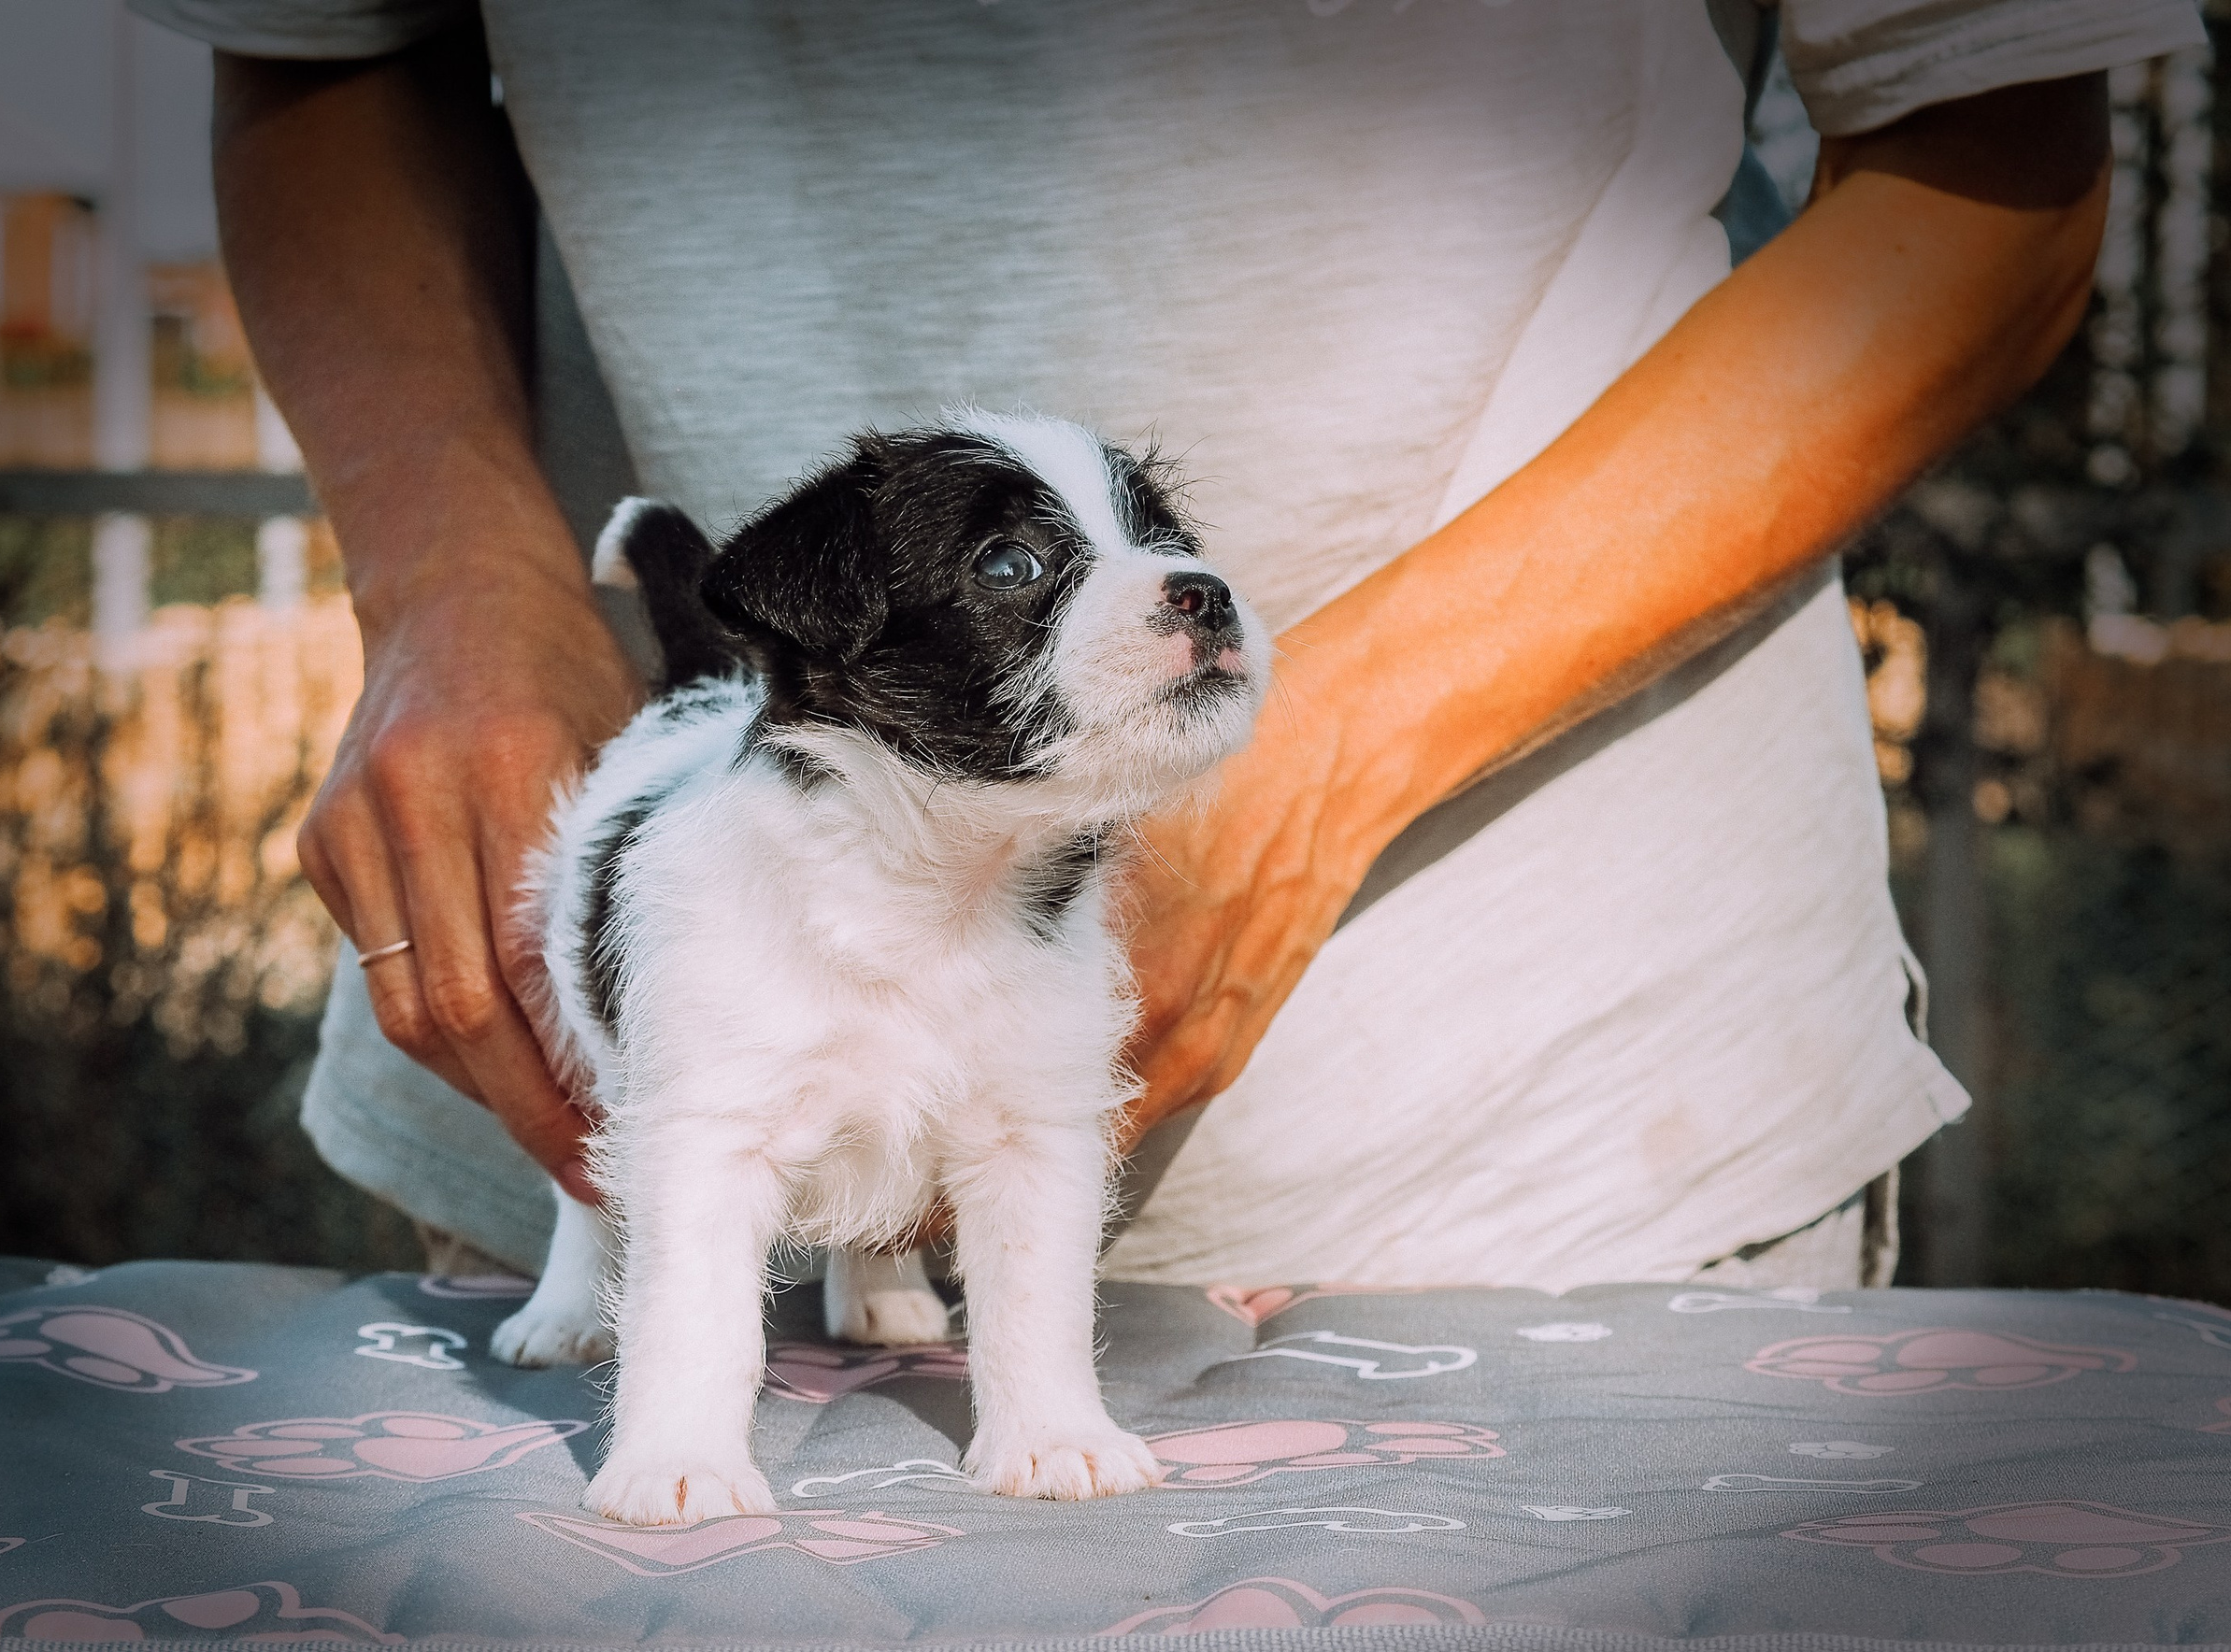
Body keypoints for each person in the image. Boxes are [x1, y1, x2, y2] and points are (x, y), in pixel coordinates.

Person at [142, 0, 2200, 1291]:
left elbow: (1982, 174)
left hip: (1537, 1141)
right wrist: (456, 583)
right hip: (624, 1134)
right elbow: (327, 53)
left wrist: (1300, 762)